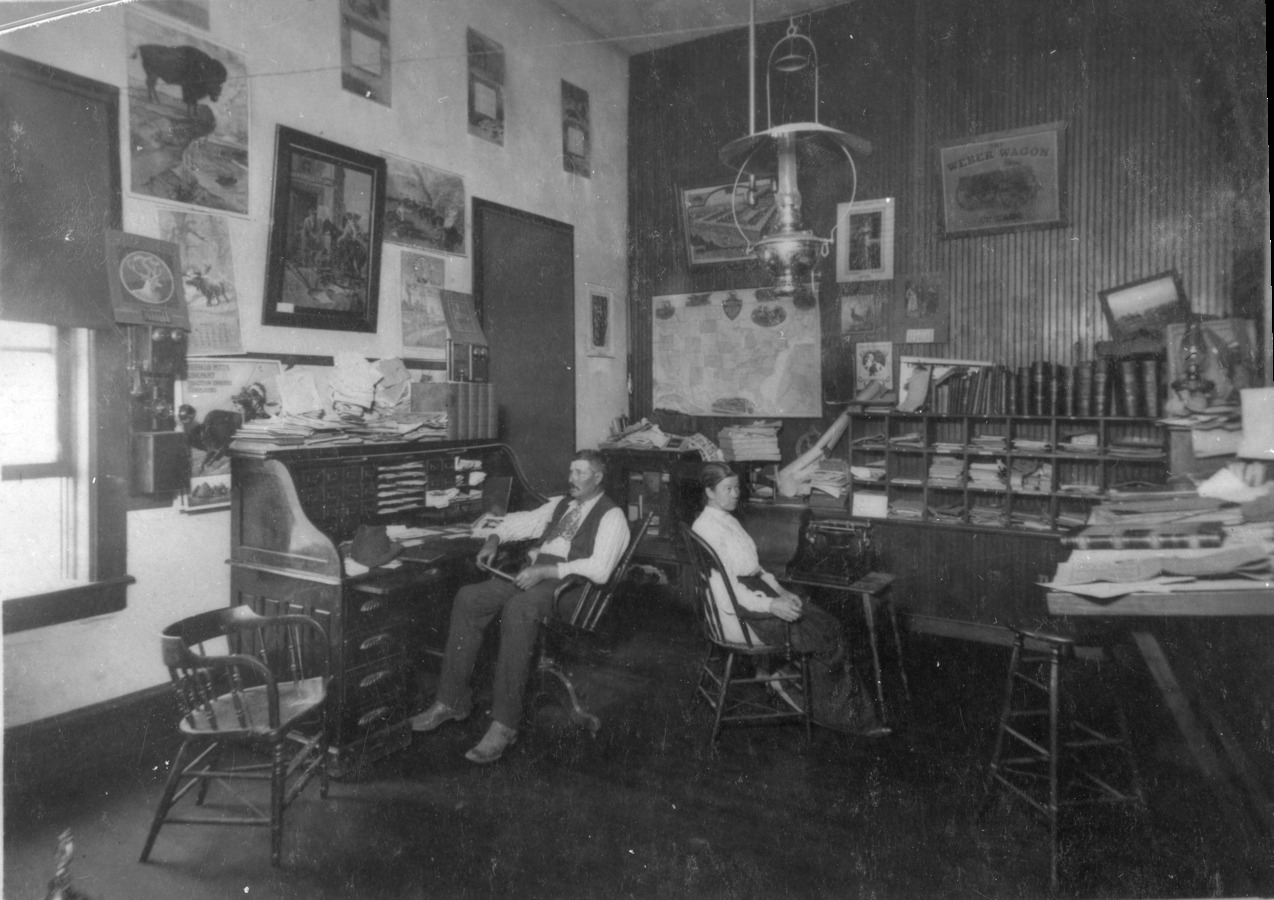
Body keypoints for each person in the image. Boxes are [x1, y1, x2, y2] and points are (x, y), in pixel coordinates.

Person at [411, 449, 629, 763]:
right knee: (469, 598)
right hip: (536, 578)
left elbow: (600, 569)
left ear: (598, 477)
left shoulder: (612, 515)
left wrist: (547, 570)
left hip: (572, 591)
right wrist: (494, 538)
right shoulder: (561, 504)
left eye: (580, 473)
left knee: (519, 608)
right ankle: (451, 700)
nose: (572, 478)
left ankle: (505, 724)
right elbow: (520, 522)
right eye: (571, 471)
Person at [691, 462, 890, 738]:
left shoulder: (724, 518)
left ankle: (789, 682)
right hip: (739, 615)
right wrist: (772, 604)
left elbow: (753, 568)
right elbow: (728, 590)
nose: (736, 494)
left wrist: (780, 591)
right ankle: (837, 714)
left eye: (737, 487)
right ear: (709, 492)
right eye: (728, 489)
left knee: (827, 622)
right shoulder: (708, 529)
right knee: (825, 635)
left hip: (752, 598)